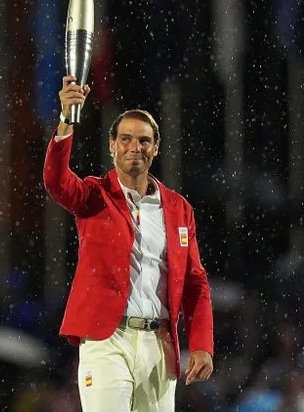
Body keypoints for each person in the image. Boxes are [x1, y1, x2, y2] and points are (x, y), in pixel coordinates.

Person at [43, 76, 214, 412]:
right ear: (112, 145)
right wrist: (66, 120)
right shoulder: (94, 196)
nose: (135, 147)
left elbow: (195, 282)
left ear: (156, 147)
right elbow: (56, 180)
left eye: (144, 140)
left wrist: (202, 344)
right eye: (126, 139)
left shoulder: (179, 209)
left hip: (160, 344)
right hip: (107, 339)